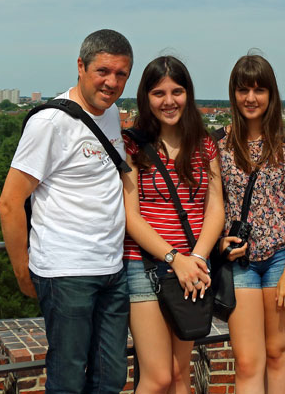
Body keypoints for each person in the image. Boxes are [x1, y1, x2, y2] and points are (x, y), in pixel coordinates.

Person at [0, 29, 134, 394]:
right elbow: (9, 203)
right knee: (68, 379)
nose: (112, 82)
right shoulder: (50, 123)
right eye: (103, 71)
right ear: (80, 66)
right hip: (66, 271)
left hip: (111, 268)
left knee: (110, 377)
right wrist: (22, 271)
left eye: (122, 74)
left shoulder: (111, 113)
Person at [121, 56, 225, 394]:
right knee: (158, 377)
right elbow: (130, 216)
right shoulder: (133, 145)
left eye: (176, 91)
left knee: (181, 374)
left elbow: (215, 208)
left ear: (188, 94)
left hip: (194, 266)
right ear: (146, 98)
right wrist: (174, 258)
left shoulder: (203, 143)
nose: (169, 101)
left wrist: (196, 257)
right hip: (146, 265)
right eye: (158, 93)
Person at [215, 54, 285, 394]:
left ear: (271, 95)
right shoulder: (216, 143)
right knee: (247, 361)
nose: (250, 98)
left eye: (259, 90)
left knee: (277, 353)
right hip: (239, 261)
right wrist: (218, 243)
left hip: (281, 256)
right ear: (233, 94)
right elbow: (212, 207)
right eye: (243, 90)